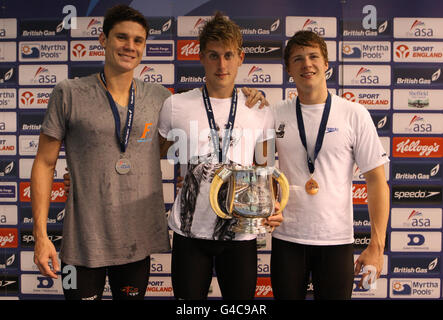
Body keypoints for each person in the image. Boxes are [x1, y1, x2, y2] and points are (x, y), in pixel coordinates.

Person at [34, 4, 266, 300]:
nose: (130, 46)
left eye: (138, 40)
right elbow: (43, 163)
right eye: (121, 37)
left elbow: (165, 147)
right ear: (103, 40)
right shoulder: (68, 93)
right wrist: (41, 236)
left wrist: (246, 95)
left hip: (136, 242)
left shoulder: (162, 99)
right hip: (82, 242)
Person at [157, 12, 282, 300]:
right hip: (190, 231)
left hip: (241, 231)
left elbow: (265, 167)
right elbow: (153, 155)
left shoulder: (260, 109)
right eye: (213, 56)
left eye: (228, 55)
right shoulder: (175, 105)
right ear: (200, 57)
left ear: (241, 57)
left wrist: (273, 203)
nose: (221, 64)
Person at [270, 30, 390, 299]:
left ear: (327, 64)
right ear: (288, 68)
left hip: (336, 242)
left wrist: (377, 245)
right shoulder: (274, 114)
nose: (307, 64)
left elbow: (376, 181)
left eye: (314, 56)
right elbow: (259, 170)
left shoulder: (354, 114)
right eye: (298, 59)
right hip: (287, 240)